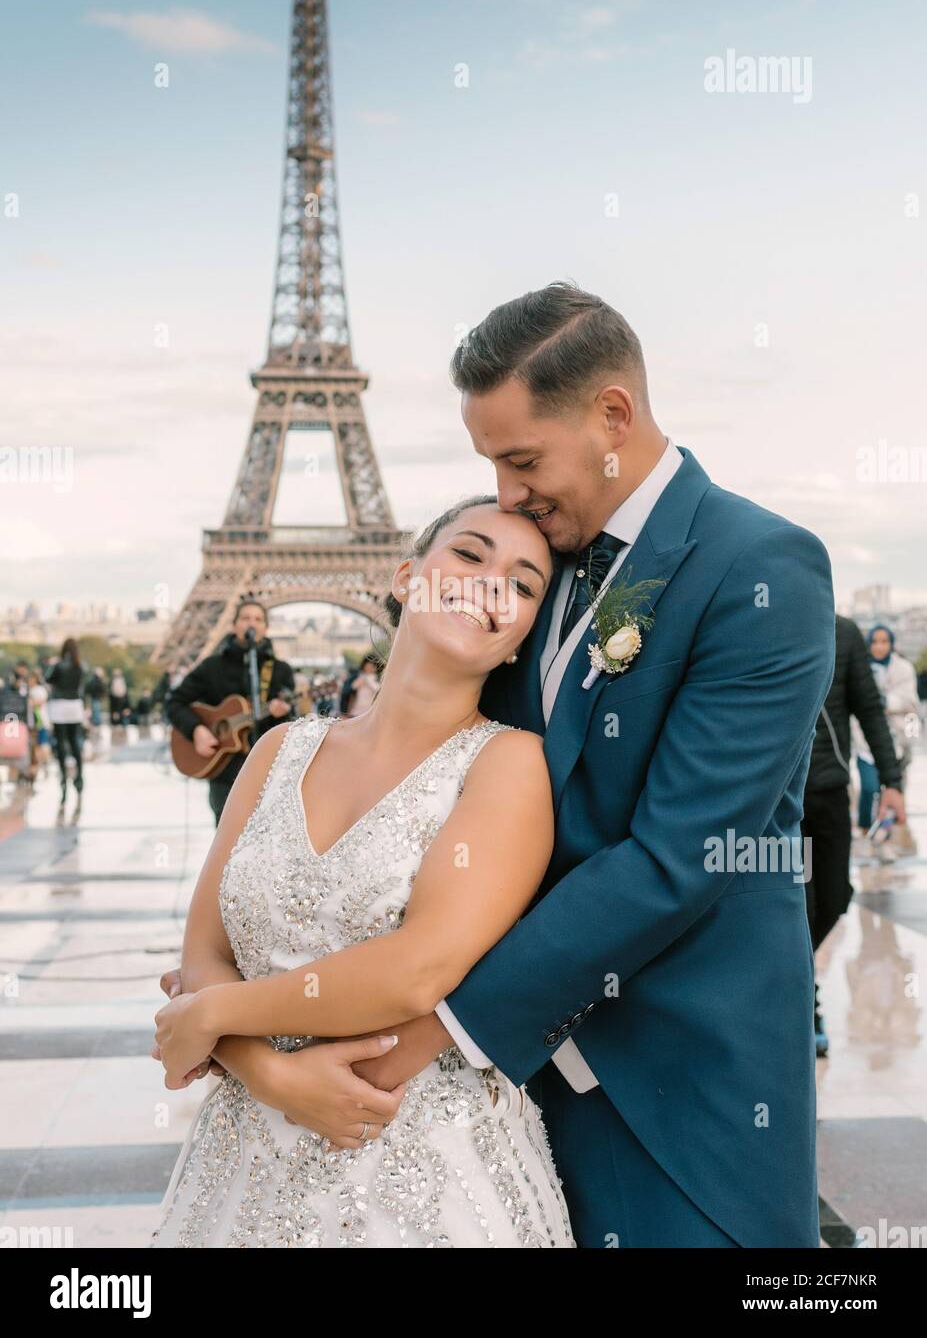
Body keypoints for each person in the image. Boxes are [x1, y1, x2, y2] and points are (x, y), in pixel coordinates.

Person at [276, 283, 834, 1248]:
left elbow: (678, 857)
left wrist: (430, 1035)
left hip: (673, 1091)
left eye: (522, 459)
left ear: (611, 414)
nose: (504, 493)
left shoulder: (760, 567)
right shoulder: (527, 564)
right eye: (490, 464)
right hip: (495, 1103)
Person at [149, 498, 574, 1248]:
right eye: (469, 554)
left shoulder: (510, 765)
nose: (489, 583)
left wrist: (212, 1019)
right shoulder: (276, 750)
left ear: (521, 638)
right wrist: (270, 1075)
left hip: (422, 1175)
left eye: (522, 583)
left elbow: (417, 970)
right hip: (243, 1154)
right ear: (407, 576)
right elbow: (205, 948)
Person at [802, 616, 905, 1056]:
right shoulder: (763, 620)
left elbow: (870, 710)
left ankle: (797, 981)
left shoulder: (842, 633)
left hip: (829, 789)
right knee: (799, 904)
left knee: (836, 896)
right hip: (777, 798)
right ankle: (806, 1003)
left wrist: (892, 781)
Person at [165, 599, 295, 826]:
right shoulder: (212, 667)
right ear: (234, 625)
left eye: (258, 619)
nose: (251, 623)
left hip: (268, 770)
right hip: (224, 772)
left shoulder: (280, 671)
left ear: (266, 628)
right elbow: (175, 701)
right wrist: (196, 730)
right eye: (245, 618)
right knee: (226, 837)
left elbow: (289, 726)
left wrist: (282, 713)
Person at [853, 624, 919, 854]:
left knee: (891, 791)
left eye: (884, 641)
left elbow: (911, 701)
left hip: (896, 741)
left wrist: (886, 701)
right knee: (869, 788)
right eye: (875, 641)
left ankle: (884, 836)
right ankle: (865, 827)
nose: (879, 647)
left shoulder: (903, 668)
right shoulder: (860, 667)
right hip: (864, 743)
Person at [45, 638, 87, 815]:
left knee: (61, 742)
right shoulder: (80, 665)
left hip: (59, 705)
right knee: (74, 742)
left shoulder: (58, 665)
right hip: (75, 705)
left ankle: (63, 777)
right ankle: (79, 777)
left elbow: (48, 679)